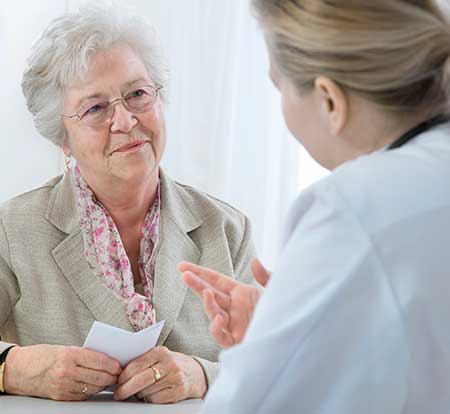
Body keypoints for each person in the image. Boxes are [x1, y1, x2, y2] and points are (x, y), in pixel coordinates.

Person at [179, 0, 450, 412]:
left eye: (278, 86)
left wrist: (288, 340)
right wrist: (305, 330)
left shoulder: (356, 207)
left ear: (329, 101)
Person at [0, 5, 256, 404]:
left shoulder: (227, 229)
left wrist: (202, 375)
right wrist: (14, 369)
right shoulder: (12, 228)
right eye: (95, 108)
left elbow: (272, 363)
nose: (125, 121)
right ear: (62, 139)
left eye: (137, 94)